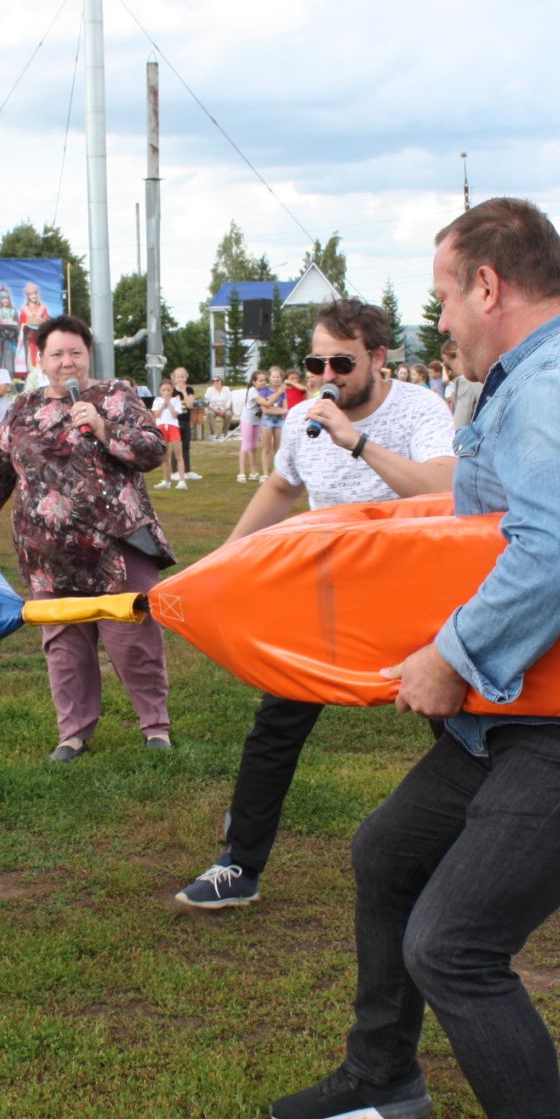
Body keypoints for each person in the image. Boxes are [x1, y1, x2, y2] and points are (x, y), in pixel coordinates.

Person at [266, 199, 560, 1119]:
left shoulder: (559, 384)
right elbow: (479, 500)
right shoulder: (553, 376)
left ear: (491, 285)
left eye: (447, 293)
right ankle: (384, 1076)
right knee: (388, 853)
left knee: (453, 946)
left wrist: (450, 657)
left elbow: (552, 553)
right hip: (533, 709)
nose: (443, 317)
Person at [175, 300, 457, 910]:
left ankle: (480, 856)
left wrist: (356, 442)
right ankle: (239, 866)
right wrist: (222, 560)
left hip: (415, 600)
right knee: (276, 724)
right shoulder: (304, 415)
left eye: (341, 361)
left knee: (456, 728)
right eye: (314, 361)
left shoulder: (420, 409)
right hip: (329, 600)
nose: (326, 374)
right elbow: (281, 486)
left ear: (379, 358)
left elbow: (445, 488)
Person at [0, 315, 176, 761]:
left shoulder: (116, 395)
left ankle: (155, 725)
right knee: (63, 647)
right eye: (57, 354)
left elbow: (153, 450)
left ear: (88, 356)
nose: (67, 362)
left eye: (75, 353)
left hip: (116, 547)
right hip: (48, 555)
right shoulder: (21, 407)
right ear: (41, 359)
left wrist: (101, 427)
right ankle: (73, 733)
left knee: (133, 641)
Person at [151, 379, 188, 490]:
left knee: (178, 455)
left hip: (173, 427)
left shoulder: (176, 400)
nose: (166, 392)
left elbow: (174, 414)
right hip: (161, 427)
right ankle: (166, 480)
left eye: (168, 389)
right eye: (164, 390)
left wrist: (169, 402)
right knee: (165, 456)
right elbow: (156, 415)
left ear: (172, 390)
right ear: (160, 391)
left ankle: (182, 480)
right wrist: (164, 403)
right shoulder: (157, 400)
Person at [169, 366, 201, 481]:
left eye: (182, 377)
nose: (180, 379)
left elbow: (190, 405)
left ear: (186, 378)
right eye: (178, 377)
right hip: (175, 422)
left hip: (186, 421)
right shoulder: (171, 390)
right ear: (174, 379)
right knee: (176, 447)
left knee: (186, 446)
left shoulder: (189, 390)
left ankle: (187, 470)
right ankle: (175, 471)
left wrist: (183, 391)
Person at [255, 366, 287, 479]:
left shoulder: (283, 392)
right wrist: (277, 410)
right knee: (266, 448)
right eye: (274, 377)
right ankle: (265, 474)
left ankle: (277, 473)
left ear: (281, 378)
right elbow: (265, 409)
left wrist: (273, 410)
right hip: (266, 421)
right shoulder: (263, 391)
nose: (276, 379)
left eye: (278, 377)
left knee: (278, 448)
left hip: (279, 421)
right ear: (269, 377)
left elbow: (285, 409)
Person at [17, 282, 51, 378]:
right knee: (31, 362)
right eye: (31, 294)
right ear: (28, 296)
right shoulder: (24, 310)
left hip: (41, 338)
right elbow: (21, 326)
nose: (34, 296)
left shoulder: (43, 308)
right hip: (30, 340)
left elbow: (47, 322)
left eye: (35, 293)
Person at [237, 376, 266, 482]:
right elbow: (262, 401)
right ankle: (241, 473)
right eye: (260, 380)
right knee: (246, 445)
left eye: (264, 380)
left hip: (256, 421)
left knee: (254, 446)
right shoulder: (252, 391)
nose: (263, 382)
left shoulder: (264, 390)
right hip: (247, 420)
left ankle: (253, 471)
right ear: (254, 382)